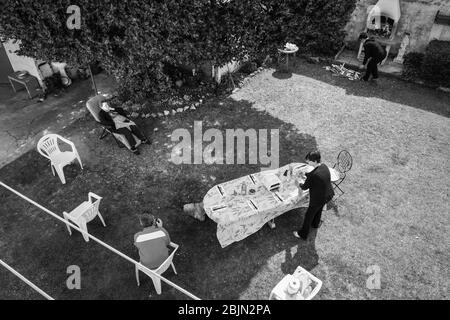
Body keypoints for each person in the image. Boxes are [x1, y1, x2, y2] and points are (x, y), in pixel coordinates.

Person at [294, 151, 335, 241]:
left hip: (317, 199)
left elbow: (304, 187)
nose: (308, 162)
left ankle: (302, 234)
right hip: (328, 195)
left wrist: (299, 183)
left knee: (309, 216)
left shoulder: (313, 175)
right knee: (319, 210)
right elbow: (316, 175)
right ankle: (315, 224)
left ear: (315, 161)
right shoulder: (324, 166)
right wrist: (306, 174)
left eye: (309, 161)